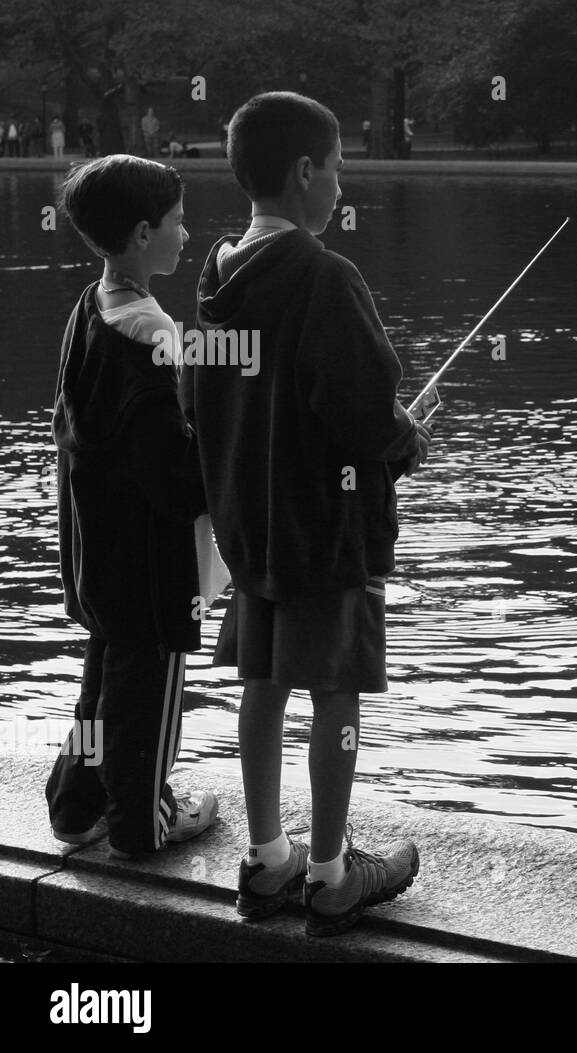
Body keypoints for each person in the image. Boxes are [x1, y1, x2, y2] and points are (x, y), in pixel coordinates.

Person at [181, 92, 428, 936]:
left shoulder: (213, 277)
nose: (339, 186)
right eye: (337, 170)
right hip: (325, 530)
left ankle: (266, 858)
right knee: (336, 696)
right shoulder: (327, 277)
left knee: (262, 683)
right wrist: (407, 440)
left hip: (249, 529)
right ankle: (331, 873)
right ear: (304, 172)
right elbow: (362, 413)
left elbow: (201, 395)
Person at [47, 154, 219, 860]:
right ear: (144, 232)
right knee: (146, 693)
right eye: (178, 222)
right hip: (149, 569)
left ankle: (74, 805)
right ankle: (140, 820)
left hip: (96, 551)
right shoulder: (149, 344)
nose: (187, 234)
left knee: (104, 682)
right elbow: (177, 485)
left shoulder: (90, 308)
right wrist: (217, 429)